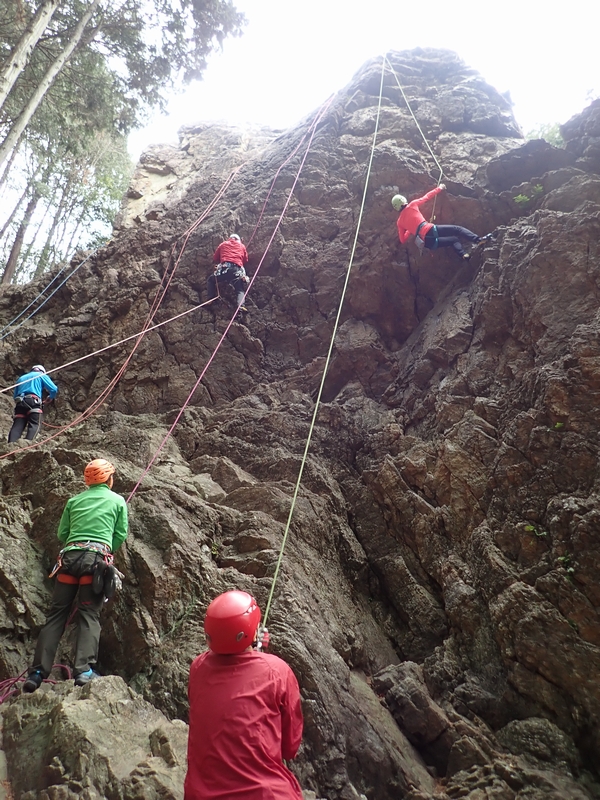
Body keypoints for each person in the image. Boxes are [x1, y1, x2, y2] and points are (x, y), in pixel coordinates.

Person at [185, 590, 304, 800]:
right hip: (264, 793)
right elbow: (290, 747)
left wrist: (253, 653)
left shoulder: (198, 668)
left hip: (201, 794)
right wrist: (258, 655)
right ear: (250, 631)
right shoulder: (277, 671)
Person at [23, 458, 128, 692]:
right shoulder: (117, 501)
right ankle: (83, 671)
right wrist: (106, 550)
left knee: (56, 615)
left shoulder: (74, 501)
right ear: (108, 479)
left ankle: (37, 673)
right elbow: (120, 534)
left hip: (69, 560)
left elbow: (63, 533)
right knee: (89, 614)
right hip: (95, 562)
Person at [392, 184, 493, 260]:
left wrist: (409, 229)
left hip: (427, 243)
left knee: (454, 240)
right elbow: (426, 197)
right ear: (403, 200)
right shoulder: (412, 205)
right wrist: (439, 188)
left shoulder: (399, 222)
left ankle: (463, 255)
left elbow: (402, 240)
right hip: (430, 230)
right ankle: (478, 240)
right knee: (458, 229)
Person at [8, 364, 58, 442]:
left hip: (20, 403)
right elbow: (54, 389)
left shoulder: (21, 378)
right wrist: (50, 397)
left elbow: (15, 396)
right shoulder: (41, 375)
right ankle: (28, 443)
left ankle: (11, 445)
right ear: (42, 371)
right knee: (35, 423)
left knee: (17, 425)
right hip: (33, 401)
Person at [207, 233, 250, 312]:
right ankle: (241, 306)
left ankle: (210, 298)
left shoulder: (223, 244)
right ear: (239, 240)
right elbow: (245, 260)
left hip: (224, 269)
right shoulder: (242, 246)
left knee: (211, 280)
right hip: (236, 270)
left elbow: (215, 257)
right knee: (239, 288)